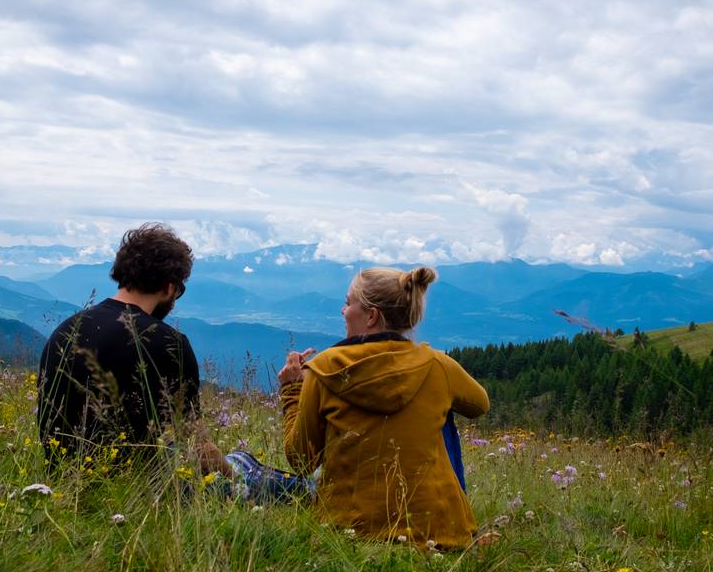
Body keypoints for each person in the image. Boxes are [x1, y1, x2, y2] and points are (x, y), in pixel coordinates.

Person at [278, 266, 489, 548]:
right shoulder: (437, 365)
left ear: (372, 316)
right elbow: (479, 405)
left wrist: (293, 390)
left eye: (349, 302)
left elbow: (300, 459)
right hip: (438, 535)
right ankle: (447, 513)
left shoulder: (323, 371)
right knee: (444, 413)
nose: (343, 311)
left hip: (350, 531)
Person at [38, 223, 227, 473]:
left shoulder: (65, 330)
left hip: (63, 482)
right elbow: (197, 446)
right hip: (142, 491)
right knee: (267, 478)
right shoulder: (170, 343)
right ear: (169, 287)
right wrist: (236, 482)